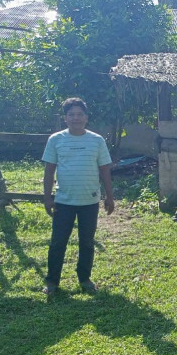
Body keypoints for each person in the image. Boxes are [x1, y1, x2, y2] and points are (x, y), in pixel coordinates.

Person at [41, 97, 115, 295]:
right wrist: (47, 197)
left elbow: (104, 170)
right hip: (63, 201)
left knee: (87, 242)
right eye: (71, 115)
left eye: (80, 114)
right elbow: (49, 171)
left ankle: (84, 278)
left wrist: (109, 196)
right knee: (58, 241)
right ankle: (52, 281)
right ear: (65, 118)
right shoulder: (56, 140)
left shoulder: (96, 140)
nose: (76, 118)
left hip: (89, 201)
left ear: (86, 118)